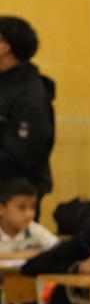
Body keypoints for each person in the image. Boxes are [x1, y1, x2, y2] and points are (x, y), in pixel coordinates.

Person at [0, 16, 56, 209]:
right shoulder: (6, 84)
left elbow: (25, 152)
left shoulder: (30, 93)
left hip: (15, 192)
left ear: (5, 47)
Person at [0, 176, 58, 254]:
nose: (29, 214)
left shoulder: (34, 229)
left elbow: (59, 250)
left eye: (33, 207)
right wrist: (19, 255)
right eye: (21, 207)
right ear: (1, 209)